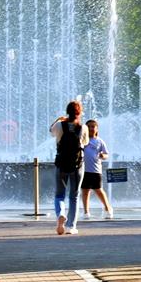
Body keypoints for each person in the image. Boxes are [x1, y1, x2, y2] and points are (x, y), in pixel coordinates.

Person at [50, 100, 88, 235]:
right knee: (74, 196)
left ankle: (60, 214)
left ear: (67, 111)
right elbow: (85, 142)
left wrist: (59, 119)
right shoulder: (83, 127)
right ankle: (72, 226)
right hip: (77, 165)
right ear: (80, 112)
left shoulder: (60, 125)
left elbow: (51, 131)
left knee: (59, 195)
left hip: (61, 164)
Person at [79, 119, 114, 220]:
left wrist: (103, 155)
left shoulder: (99, 141)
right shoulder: (82, 140)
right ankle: (86, 212)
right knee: (85, 191)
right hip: (84, 169)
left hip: (95, 170)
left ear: (97, 129)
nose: (90, 128)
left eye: (93, 126)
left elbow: (106, 154)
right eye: (88, 126)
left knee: (98, 190)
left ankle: (108, 209)